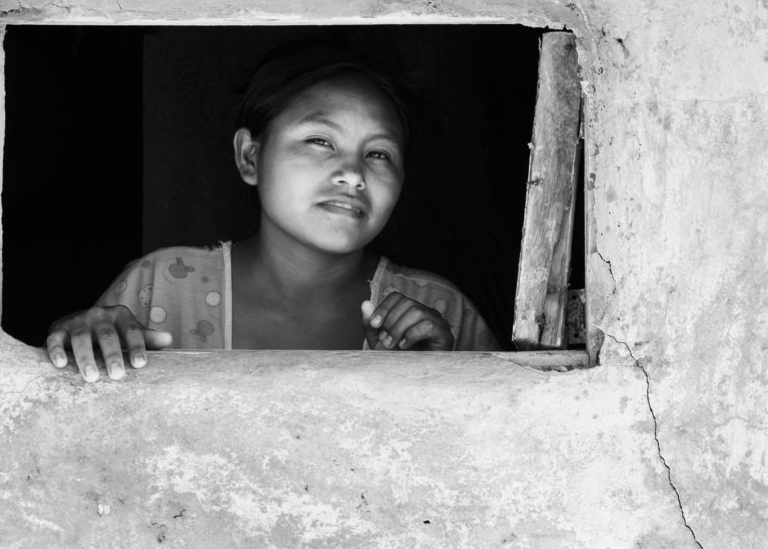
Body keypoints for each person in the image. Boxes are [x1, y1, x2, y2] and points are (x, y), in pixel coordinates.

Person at [46, 44, 500, 382]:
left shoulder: (441, 313)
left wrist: (438, 376)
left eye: (379, 154)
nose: (353, 174)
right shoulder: (160, 287)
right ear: (249, 157)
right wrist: (75, 343)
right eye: (321, 141)